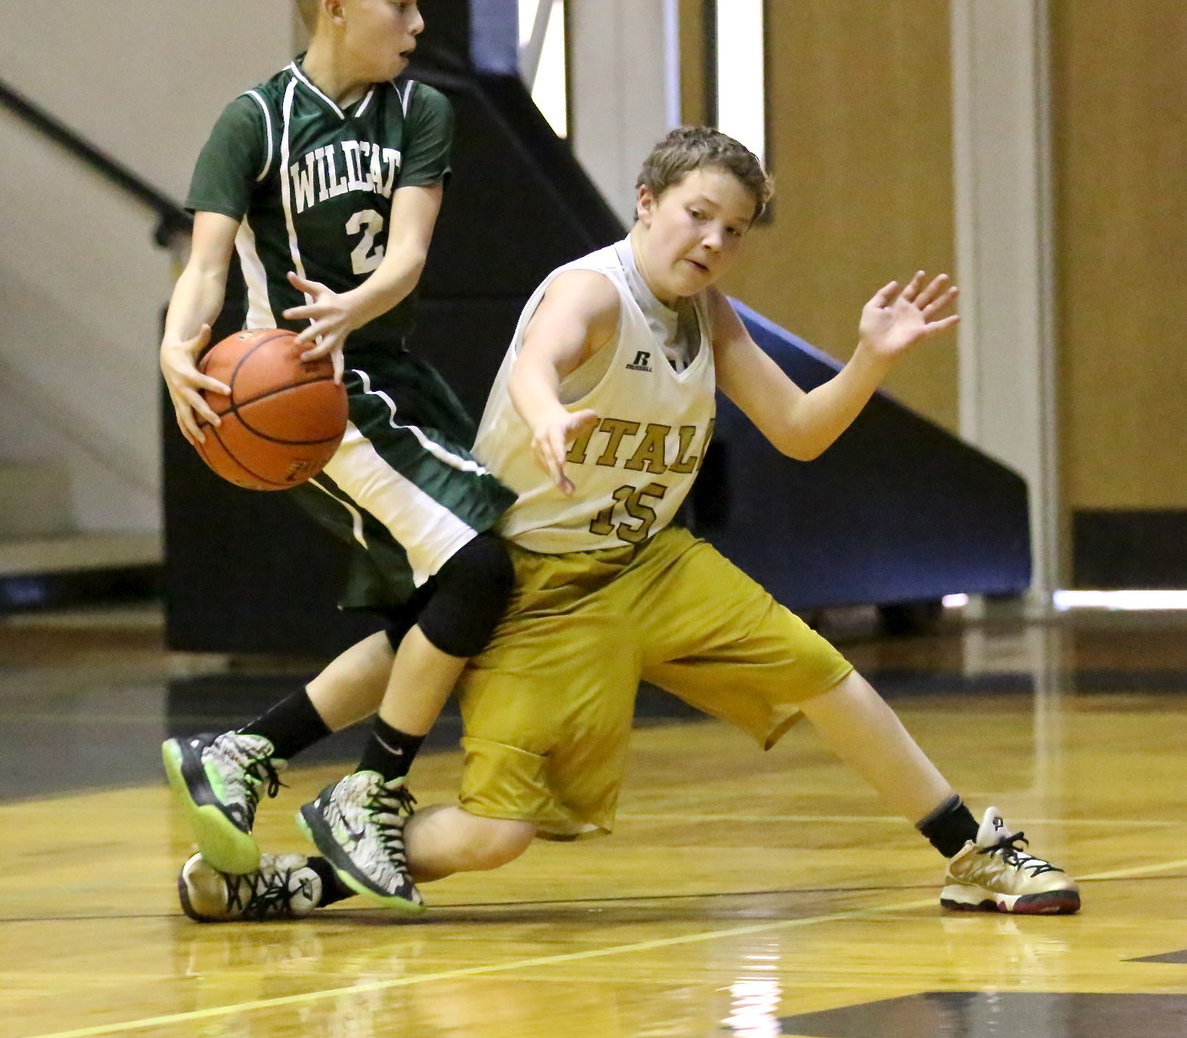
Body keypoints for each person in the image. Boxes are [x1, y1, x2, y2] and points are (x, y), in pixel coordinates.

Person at [178, 126, 1080, 922]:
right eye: (698, 214)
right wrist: (544, 411)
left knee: (822, 673)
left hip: (650, 562)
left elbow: (799, 432)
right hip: (540, 587)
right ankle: (293, 878)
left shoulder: (707, 311)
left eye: (733, 230)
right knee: (497, 835)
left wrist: (868, 362)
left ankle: (975, 852)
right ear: (646, 204)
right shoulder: (592, 290)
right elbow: (540, 357)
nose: (714, 241)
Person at [159, 0, 517, 913]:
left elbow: (405, 256)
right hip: (306, 387)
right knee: (480, 566)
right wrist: (174, 346)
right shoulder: (255, 121)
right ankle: (374, 787)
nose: (415, 24)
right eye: (400, 5)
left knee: (428, 613)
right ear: (336, 6)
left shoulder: (419, 113)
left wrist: (359, 305)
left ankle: (241, 753)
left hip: (387, 367)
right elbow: (205, 266)